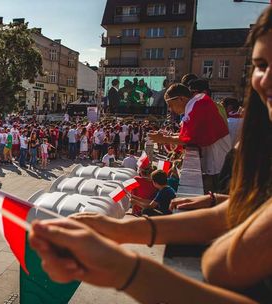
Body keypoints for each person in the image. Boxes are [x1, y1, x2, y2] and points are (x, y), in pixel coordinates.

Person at [27, 8, 272, 302]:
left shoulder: (200, 105)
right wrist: (124, 230)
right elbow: (246, 209)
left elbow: (222, 264)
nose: (266, 79)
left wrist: (124, 270)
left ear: (179, 99)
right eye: (261, 64)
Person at [149, 83, 231, 193]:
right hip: (218, 159)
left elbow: (190, 138)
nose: (170, 109)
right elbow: (190, 135)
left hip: (218, 163)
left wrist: (163, 139)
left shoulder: (195, 107)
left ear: (180, 99)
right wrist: (167, 137)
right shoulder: (197, 104)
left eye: (170, 104)